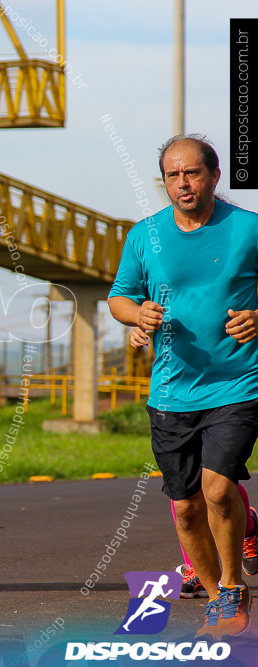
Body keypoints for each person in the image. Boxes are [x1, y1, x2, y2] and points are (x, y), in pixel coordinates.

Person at [109, 134, 258, 639]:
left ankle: (234, 587)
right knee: (188, 504)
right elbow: (120, 296)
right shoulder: (145, 236)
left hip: (239, 380)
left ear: (215, 176)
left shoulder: (247, 229)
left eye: (192, 173)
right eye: (172, 175)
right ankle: (215, 595)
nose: (182, 183)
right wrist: (137, 315)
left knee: (218, 489)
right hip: (172, 389)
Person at [129, 321, 258, 599]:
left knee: (219, 482)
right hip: (175, 393)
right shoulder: (161, 279)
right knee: (186, 494)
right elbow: (128, 299)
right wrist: (138, 320)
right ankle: (197, 569)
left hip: (233, 385)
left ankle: (248, 530)